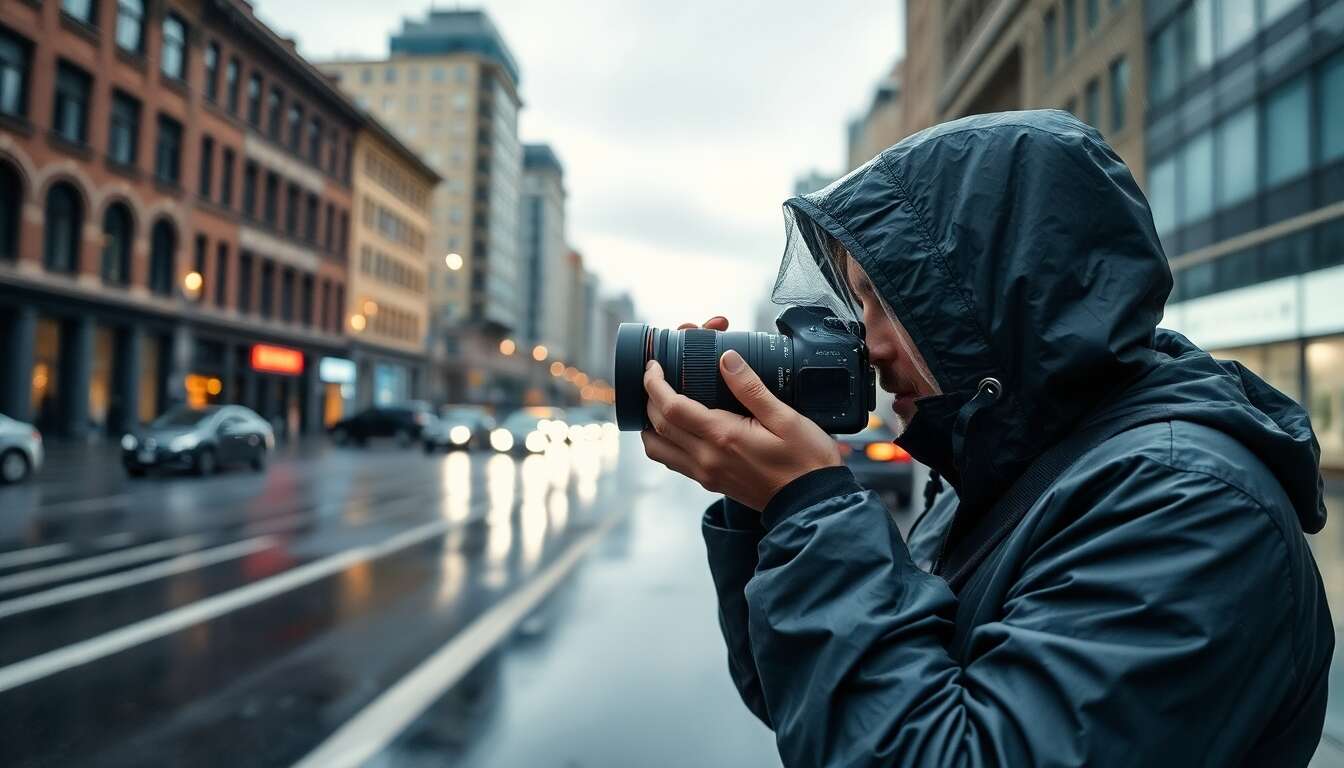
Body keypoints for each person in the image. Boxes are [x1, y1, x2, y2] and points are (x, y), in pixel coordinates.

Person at [640, 110, 1333, 766]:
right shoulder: (1011, 476)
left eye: (886, 299)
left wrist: (810, 508)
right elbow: (821, 711)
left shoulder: (1190, 505)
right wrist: (763, 505)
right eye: (859, 304)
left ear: (993, 294)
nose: (870, 343)